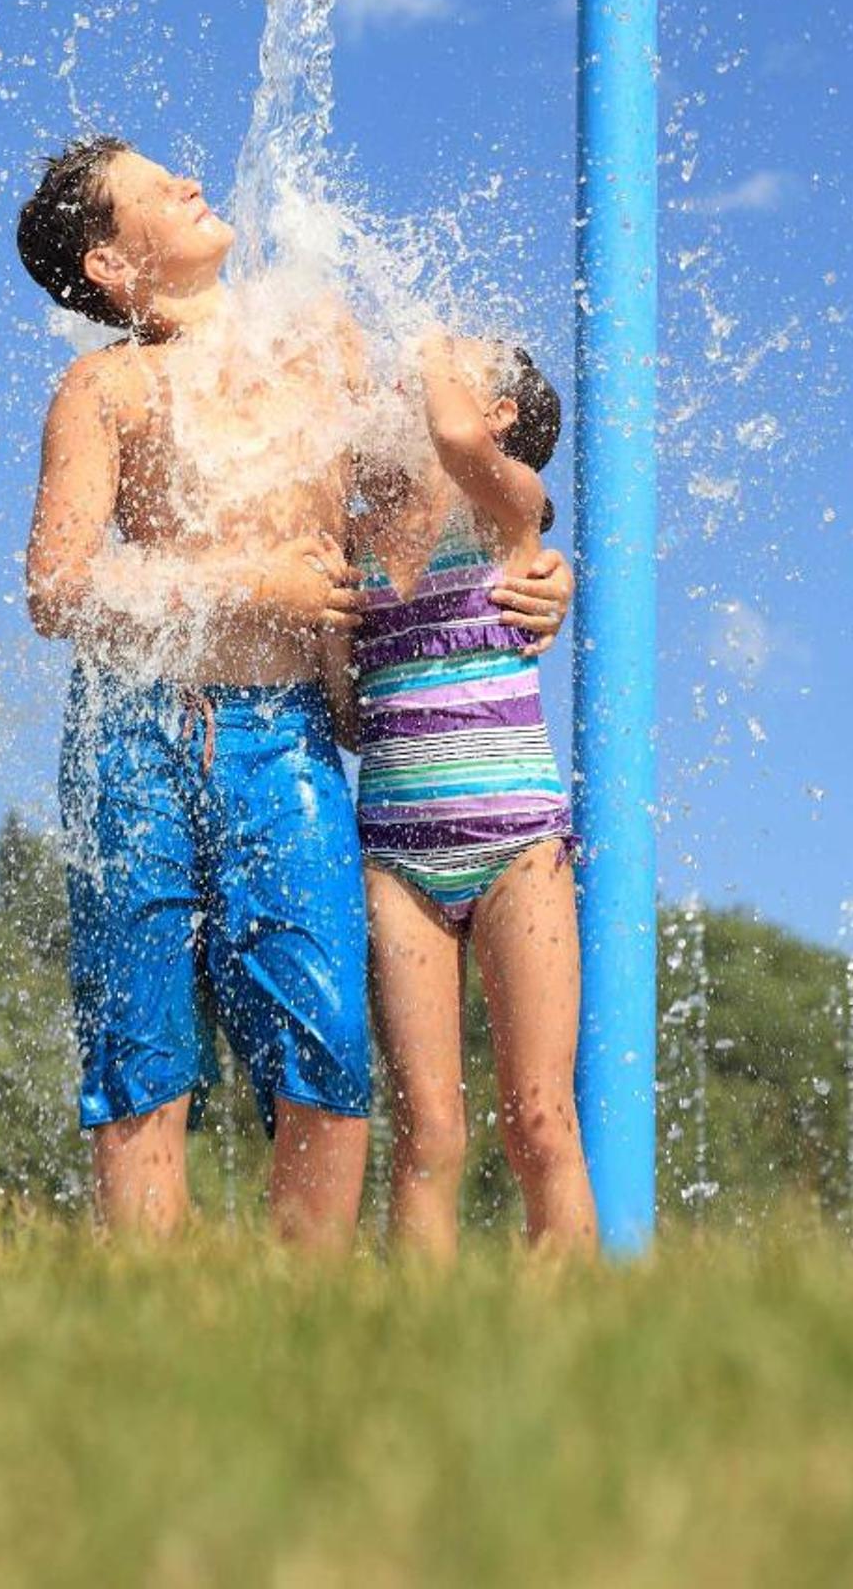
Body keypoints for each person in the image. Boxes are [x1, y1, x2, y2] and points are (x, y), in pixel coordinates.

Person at [17, 135, 574, 1250]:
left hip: (286, 734)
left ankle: (297, 1321)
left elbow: (419, 484)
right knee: (141, 1047)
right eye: (151, 190)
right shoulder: (106, 387)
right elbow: (57, 589)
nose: (186, 179)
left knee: (322, 1044)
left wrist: (531, 552)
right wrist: (248, 580)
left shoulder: (318, 342)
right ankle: (147, 1326)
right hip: (134, 735)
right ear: (113, 266)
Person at [325, 333, 596, 1261]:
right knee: (427, 1131)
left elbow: (450, 435)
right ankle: (421, 1342)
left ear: (499, 416)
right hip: (397, 860)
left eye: (458, 356)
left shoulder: (505, 510)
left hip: (518, 849)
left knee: (539, 1118)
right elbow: (350, 717)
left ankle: (577, 1332)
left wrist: (426, 341)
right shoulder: (355, 532)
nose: (426, 360)